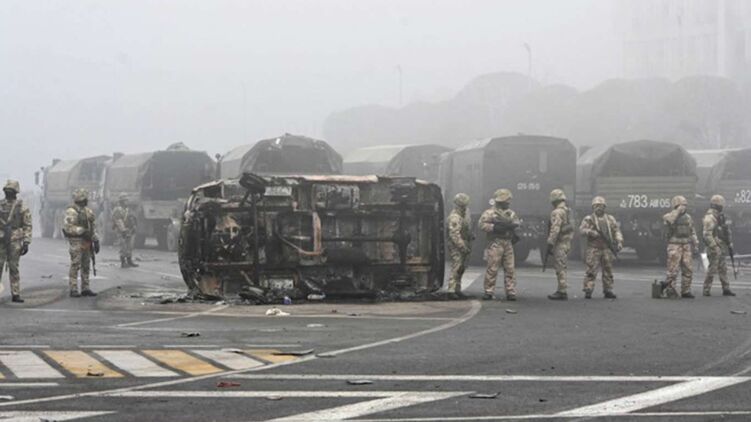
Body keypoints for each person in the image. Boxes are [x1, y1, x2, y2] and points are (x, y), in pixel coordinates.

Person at [478, 189, 520, 301]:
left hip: (507, 242)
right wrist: (494, 227)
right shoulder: (490, 213)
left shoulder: (511, 213)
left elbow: (517, 224)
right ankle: (489, 291)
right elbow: (481, 224)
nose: (507, 203)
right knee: (492, 267)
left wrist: (512, 228)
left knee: (510, 268)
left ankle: (511, 291)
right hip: (496, 242)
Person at [579, 196, 623, 299]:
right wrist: (590, 232)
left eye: (601, 206)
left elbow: (616, 231)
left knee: (608, 270)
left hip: (606, 248)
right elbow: (581, 230)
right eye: (596, 206)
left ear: (604, 207)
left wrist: (619, 241)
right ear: (593, 207)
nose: (598, 208)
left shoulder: (610, 219)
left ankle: (608, 290)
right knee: (591, 270)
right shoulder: (589, 219)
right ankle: (588, 289)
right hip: (594, 248)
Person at [63, 188, 99, 297]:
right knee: (75, 264)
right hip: (76, 241)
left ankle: (85, 288)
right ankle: (73, 288)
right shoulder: (71, 211)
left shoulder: (88, 211)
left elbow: (93, 227)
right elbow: (68, 228)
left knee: (86, 265)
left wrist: (95, 239)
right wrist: (82, 231)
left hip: (87, 242)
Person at [0, 180, 32, 303]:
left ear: (15, 192)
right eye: (7, 191)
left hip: (15, 240)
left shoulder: (21, 207)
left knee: (13, 267)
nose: (8, 193)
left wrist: (26, 242)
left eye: (10, 191)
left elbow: (27, 225)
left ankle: (16, 293)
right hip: (1, 240)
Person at [662, 195, 699, 299]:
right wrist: (677, 211)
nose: (683, 207)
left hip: (686, 245)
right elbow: (670, 220)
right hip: (674, 245)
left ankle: (686, 290)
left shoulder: (688, 218)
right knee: (673, 269)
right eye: (681, 205)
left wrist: (696, 243)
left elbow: (692, 231)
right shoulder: (668, 216)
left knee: (688, 269)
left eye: (685, 205)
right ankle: (670, 290)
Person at [702, 195, 735, 297]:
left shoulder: (720, 217)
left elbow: (726, 231)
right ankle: (706, 289)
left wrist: (729, 243)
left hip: (721, 246)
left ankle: (726, 288)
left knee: (723, 269)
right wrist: (714, 246)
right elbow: (707, 234)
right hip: (714, 247)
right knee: (712, 269)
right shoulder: (710, 217)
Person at [546, 189, 574, 300]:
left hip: (560, 242)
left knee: (560, 267)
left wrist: (550, 242)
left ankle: (562, 291)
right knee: (562, 265)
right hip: (567, 242)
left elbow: (555, 229)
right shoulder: (568, 211)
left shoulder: (557, 212)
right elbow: (572, 227)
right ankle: (561, 289)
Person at [446, 193, 472, 299]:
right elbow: (454, 234)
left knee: (461, 267)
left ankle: (457, 289)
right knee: (457, 265)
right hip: (456, 244)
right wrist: (462, 246)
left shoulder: (465, 214)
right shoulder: (455, 217)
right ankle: (451, 290)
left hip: (464, 241)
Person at [111, 194, 139, 268]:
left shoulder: (128, 209)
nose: (127, 202)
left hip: (129, 229)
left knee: (130, 246)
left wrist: (134, 226)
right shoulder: (118, 210)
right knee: (123, 246)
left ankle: (129, 260)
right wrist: (123, 230)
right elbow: (118, 221)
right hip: (121, 231)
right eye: (125, 200)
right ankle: (123, 262)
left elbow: (132, 218)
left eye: (127, 200)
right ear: (122, 201)